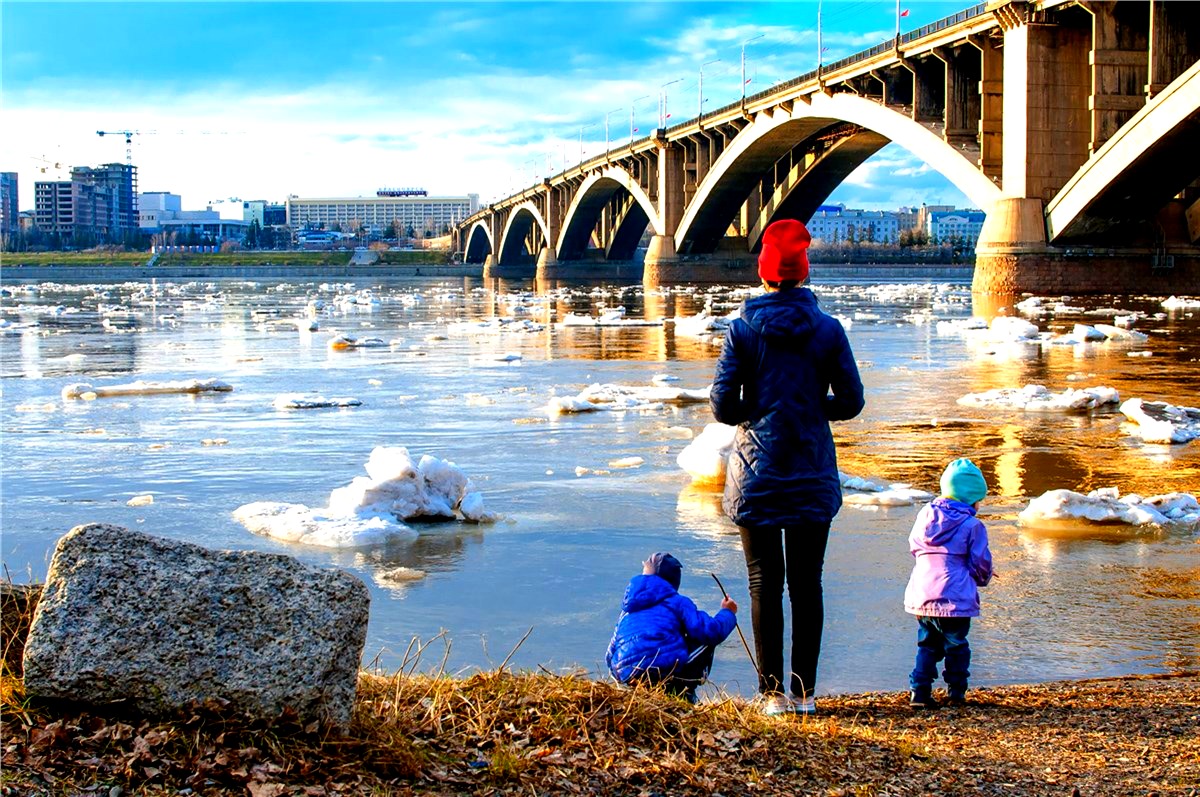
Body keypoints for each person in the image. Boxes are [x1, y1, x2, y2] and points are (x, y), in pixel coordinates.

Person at [710, 218, 865, 717]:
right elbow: (853, 401)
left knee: (762, 583)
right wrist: (813, 411)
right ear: (804, 274)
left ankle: (770, 695)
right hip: (811, 469)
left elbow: (721, 406)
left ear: (763, 274)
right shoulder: (828, 330)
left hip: (757, 473)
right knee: (806, 583)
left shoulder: (740, 330)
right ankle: (805, 694)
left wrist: (755, 413)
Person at [904, 458, 994, 709]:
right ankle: (956, 692)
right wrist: (984, 577)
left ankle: (919, 692)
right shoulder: (972, 525)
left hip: (922, 592)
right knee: (957, 644)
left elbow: (915, 548)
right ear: (972, 497)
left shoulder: (925, 515)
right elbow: (980, 561)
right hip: (954, 597)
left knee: (927, 644)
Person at [606, 552, 738, 703]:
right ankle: (684, 692)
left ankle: (630, 691)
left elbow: (610, 653)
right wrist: (728, 612)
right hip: (662, 672)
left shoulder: (628, 609)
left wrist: (620, 672)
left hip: (626, 675)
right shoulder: (677, 602)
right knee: (706, 639)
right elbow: (711, 631)